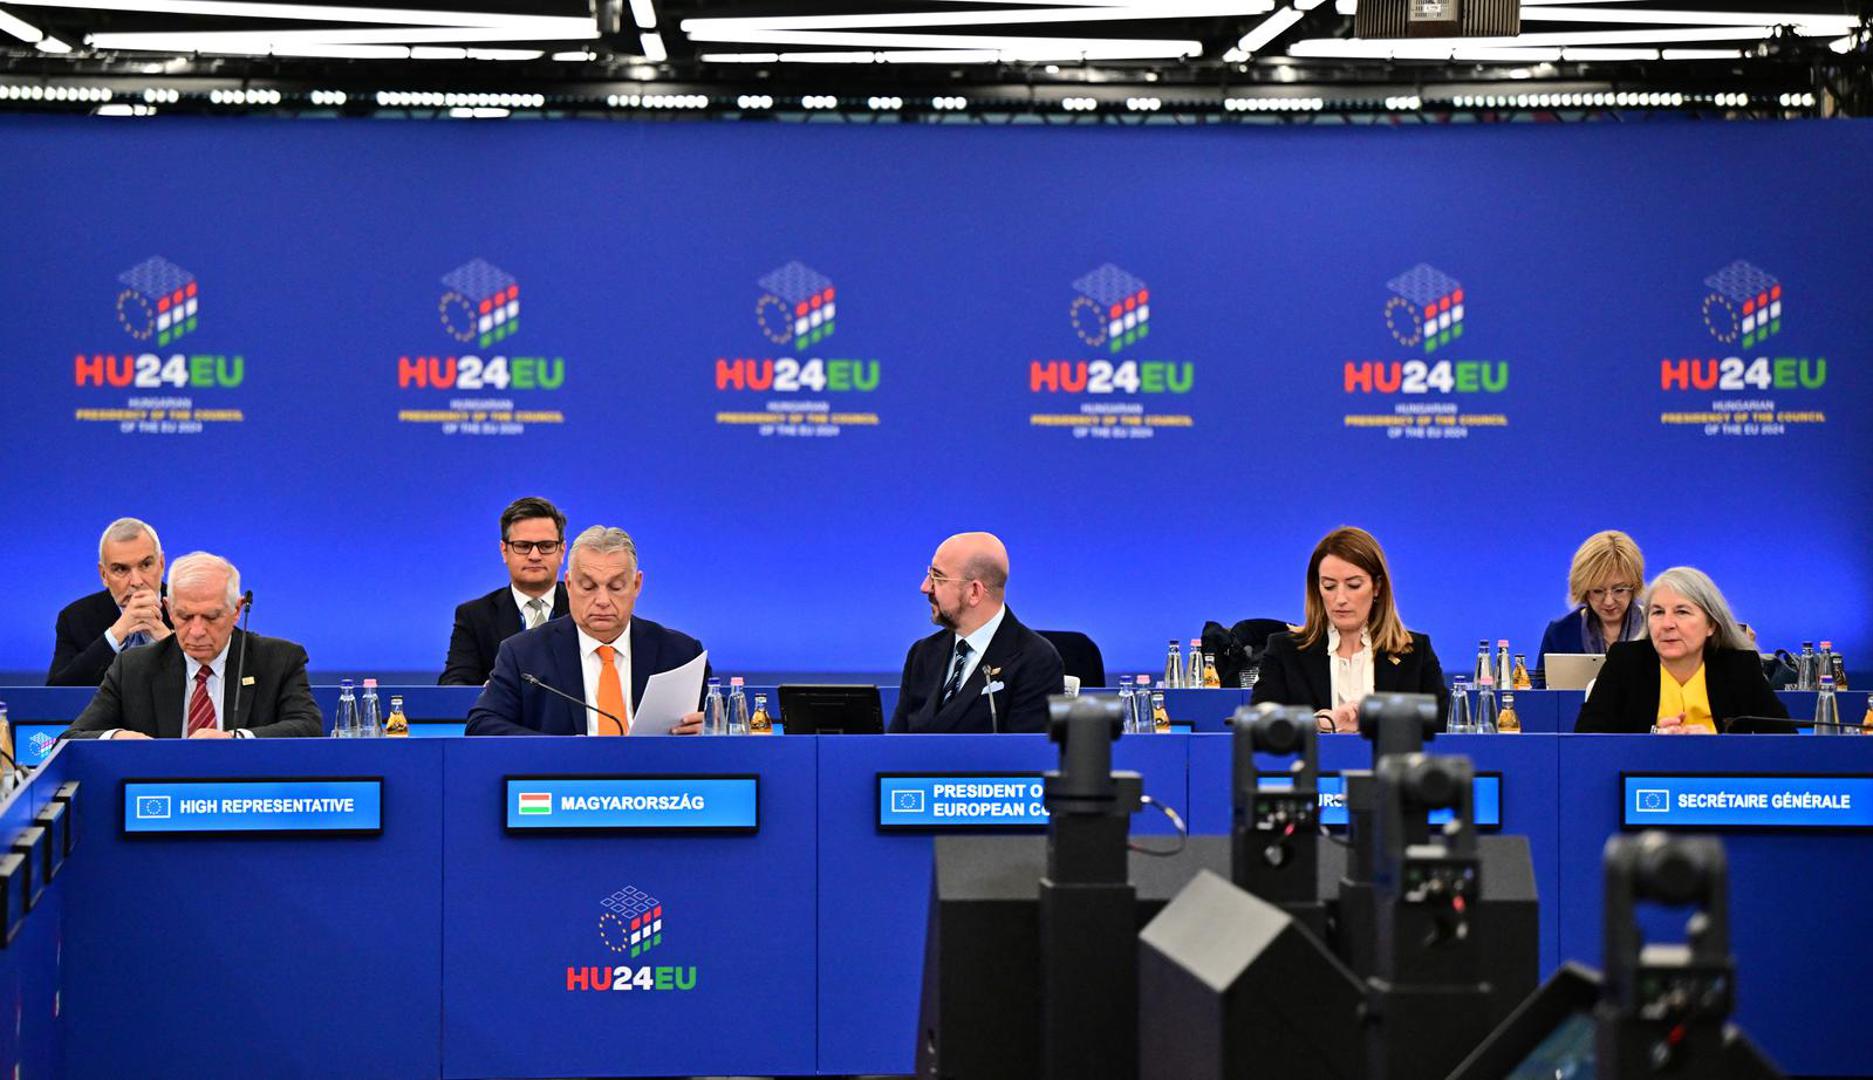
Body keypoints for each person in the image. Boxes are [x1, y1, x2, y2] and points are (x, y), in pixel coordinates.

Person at [466, 526, 705, 736]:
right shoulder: (522, 654)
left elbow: (723, 724)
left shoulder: (680, 654)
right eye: (588, 587)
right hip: (566, 784)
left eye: (616, 587)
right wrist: (563, 751)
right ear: (569, 584)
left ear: (636, 585)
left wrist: (710, 729)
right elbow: (482, 725)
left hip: (659, 786)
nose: (602, 600)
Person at [66, 552, 321, 739]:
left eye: (211, 617)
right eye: (185, 617)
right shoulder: (133, 667)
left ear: (236, 610)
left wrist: (236, 740)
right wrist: (116, 738)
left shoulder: (279, 660)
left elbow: (308, 727)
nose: (197, 632)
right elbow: (72, 738)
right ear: (168, 608)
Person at [1251, 526, 1448, 733]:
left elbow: (1442, 725)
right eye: (1329, 586)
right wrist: (1322, 723)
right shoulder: (1284, 650)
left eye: (1353, 585)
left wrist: (1373, 723)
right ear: (1317, 589)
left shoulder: (1415, 651)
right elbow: (1258, 726)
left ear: (1377, 587)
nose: (1341, 599)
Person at [1575, 567, 1787, 734]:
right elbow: (1587, 739)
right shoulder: (1625, 662)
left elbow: (1785, 741)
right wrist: (1653, 739)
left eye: (1682, 612)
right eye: (1657, 612)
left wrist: (1716, 747)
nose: (1667, 624)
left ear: (1711, 624)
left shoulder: (1739, 667)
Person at [890, 532, 1064, 734]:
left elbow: (1023, 758)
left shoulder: (1036, 660)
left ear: (974, 592)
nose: (925, 587)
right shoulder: (922, 654)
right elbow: (896, 743)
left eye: (937, 577)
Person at [440, 496, 572, 685]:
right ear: (504, 551)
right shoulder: (475, 616)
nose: (535, 556)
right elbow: (453, 684)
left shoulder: (585, 609)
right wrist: (489, 695)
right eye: (523, 546)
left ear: (562, 551)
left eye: (546, 546)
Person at [47, 517, 174, 686]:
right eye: (121, 569)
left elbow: (214, 682)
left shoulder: (191, 609)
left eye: (145, 565)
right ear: (103, 575)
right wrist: (115, 635)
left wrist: (170, 644)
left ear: (161, 564)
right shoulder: (75, 618)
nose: (136, 581)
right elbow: (57, 693)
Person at [1535, 530, 1647, 679]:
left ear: (1634, 586)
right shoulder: (1560, 633)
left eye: (1619, 590)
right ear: (1584, 591)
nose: (1608, 601)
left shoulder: (1655, 629)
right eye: (1598, 591)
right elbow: (1542, 697)